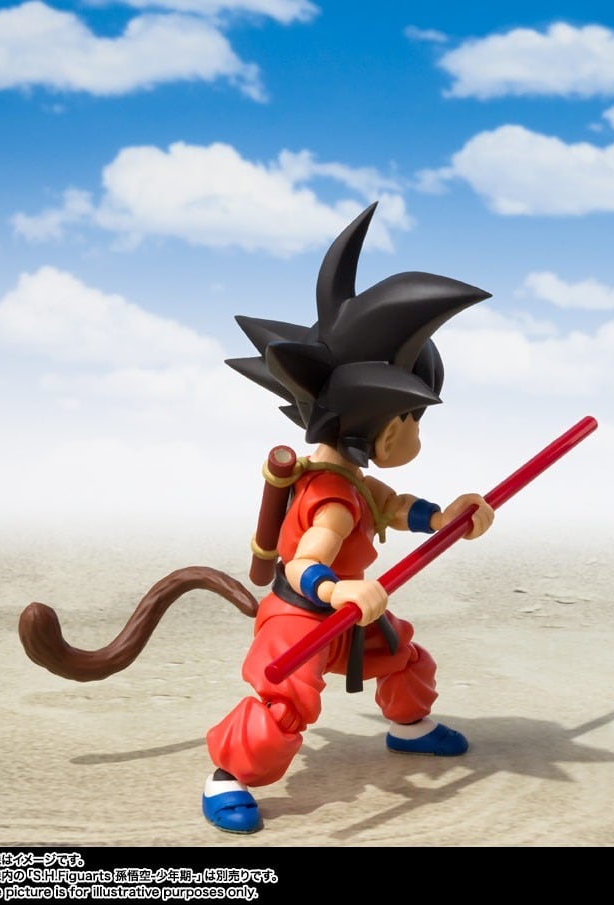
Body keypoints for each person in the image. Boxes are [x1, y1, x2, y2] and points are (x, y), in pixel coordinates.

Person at [201, 202, 495, 832]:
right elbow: (305, 561)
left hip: (350, 613)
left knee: (405, 659)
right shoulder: (331, 498)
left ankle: (409, 727)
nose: (416, 432)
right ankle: (227, 775)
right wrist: (338, 590)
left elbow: (394, 507)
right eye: (413, 419)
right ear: (379, 423)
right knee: (287, 704)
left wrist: (446, 517)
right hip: (305, 615)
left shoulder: (353, 481)